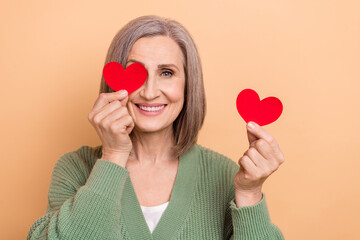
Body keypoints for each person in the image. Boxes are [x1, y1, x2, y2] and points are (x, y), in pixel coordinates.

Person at [27, 15, 285, 239]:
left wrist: (250, 195)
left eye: (166, 73)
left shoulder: (224, 175)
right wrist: (113, 157)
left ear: (188, 85)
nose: (149, 92)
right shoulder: (75, 168)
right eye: (136, 72)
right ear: (114, 81)